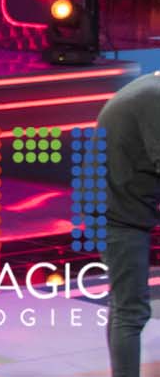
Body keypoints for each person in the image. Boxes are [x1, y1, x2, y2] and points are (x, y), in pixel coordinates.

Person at [97, 73, 160, 377]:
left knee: (125, 307)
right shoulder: (154, 98)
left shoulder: (149, 90)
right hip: (119, 217)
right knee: (131, 311)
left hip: (119, 210)